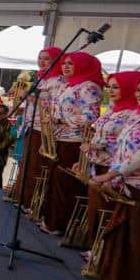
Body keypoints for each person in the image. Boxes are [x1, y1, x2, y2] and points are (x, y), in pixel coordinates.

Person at [90, 75, 140, 280]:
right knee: (125, 235)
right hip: (126, 181)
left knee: (138, 238)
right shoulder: (137, 117)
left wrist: (111, 174)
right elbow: (121, 150)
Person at [78, 72, 140, 256]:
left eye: (117, 86)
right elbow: (121, 145)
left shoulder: (130, 112)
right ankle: (97, 251)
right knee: (99, 212)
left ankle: (101, 254)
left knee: (111, 216)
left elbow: (137, 152)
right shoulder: (127, 113)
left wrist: (111, 174)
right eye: (110, 87)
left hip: (123, 175)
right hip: (110, 169)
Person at [39, 52, 102, 235]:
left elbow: (91, 116)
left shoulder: (89, 87)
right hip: (59, 137)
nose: (66, 66)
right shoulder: (69, 84)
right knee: (54, 181)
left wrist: (62, 120)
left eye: (71, 64)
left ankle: (59, 223)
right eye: (65, 63)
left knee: (64, 184)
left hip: (74, 141)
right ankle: (50, 219)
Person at [14, 47, 66, 210]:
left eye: (46, 59)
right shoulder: (41, 78)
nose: (41, 62)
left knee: (35, 167)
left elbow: (57, 106)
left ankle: (31, 202)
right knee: (27, 165)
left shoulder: (59, 81)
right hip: (31, 126)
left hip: (43, 128)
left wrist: (31, 97)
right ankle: (21, 198)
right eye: (40, 58)